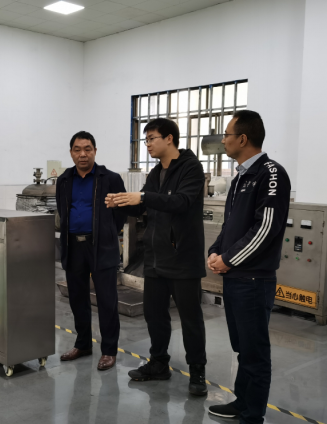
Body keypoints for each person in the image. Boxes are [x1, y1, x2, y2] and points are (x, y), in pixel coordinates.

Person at [106, 118, 208, 396]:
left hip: (182, 257)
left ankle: (197, 371)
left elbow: (182, 202)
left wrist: (142, 197)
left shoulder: (191, 168)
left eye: (151, 138)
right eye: (146, 139)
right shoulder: (155, 173)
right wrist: (121, 203)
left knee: (190, 318)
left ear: (169, 138)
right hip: (155, 258)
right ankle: (159, 363)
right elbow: (145, 208)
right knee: (155, 315)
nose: (147, 144)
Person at [207, 110, 290, 424]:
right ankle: (242, 403)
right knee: (243, 347)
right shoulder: (241, 176)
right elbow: (230, 226)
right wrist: (216, 251)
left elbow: (265, 228)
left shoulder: (271, 173)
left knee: (255, 352)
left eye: (227, 134)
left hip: (253, 281)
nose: (224, 140)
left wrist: (228, 259)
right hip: (235, 278)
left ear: (242, 138)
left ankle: (253, 416)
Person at [56, 131, 126, 371]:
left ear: (95, 151)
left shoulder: (111, 179)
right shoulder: (64, 180)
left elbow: (120, 213)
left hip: (102, 247)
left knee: (107, 300)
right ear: (71, 153)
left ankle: (109, 350)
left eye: (87, 149)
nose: (82, 154)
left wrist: (107, 233)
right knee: (77, 298)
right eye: (77, 149)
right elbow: (62, 210)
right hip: (73, 246)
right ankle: (83, 344)